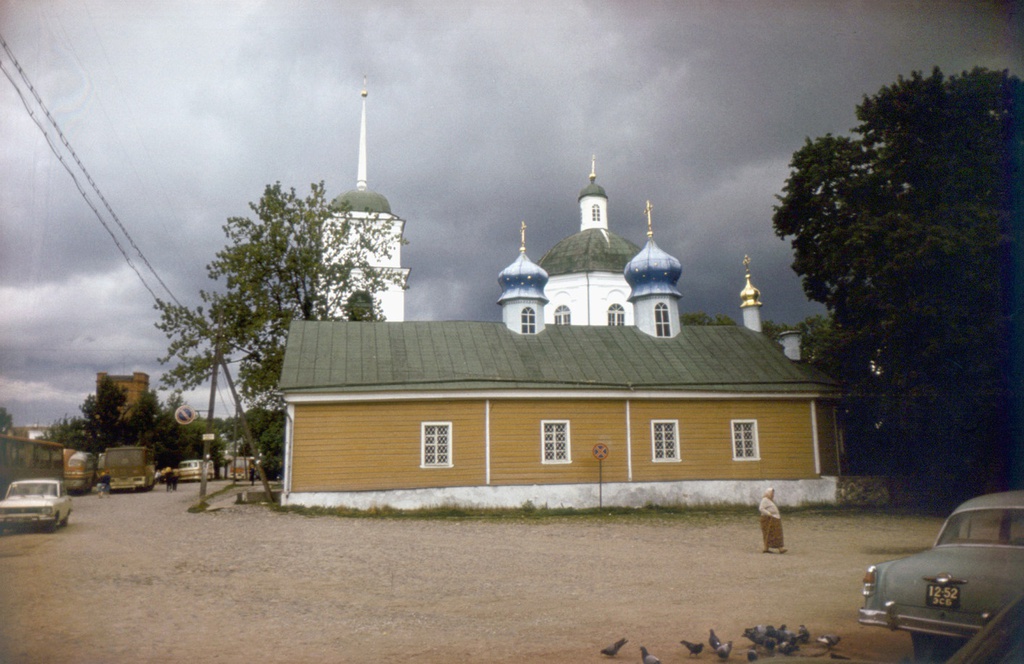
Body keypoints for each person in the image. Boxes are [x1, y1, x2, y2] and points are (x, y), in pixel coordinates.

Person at [759, 487, 786, 553]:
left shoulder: (769, 500)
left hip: (774, 518)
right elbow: (761, 508)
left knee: (775, 533)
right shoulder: (765, 500)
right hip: (769, 518)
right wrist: (769, 513)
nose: (773, 495)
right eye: (771, 493)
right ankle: (778, 548)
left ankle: (771, 548)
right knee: (772, 533)